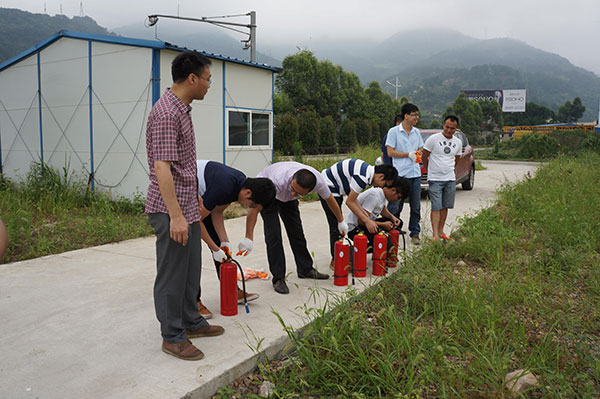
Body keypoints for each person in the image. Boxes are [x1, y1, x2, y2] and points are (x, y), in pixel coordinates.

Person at [145, 51, 223, 361]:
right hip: (170, 209)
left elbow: (182, 165)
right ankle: (172, 336)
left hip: (187, 204)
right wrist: (176, 215)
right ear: (192, 79)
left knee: (191, 270)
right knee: (172, 273)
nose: (208, 85)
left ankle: (191, 320)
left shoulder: (182, 109)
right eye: (207, 79)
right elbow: (162, 167)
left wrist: (195, 198)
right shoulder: (167, 113)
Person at [240, 162, 347, 294]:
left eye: (298, 193)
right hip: (269, 192)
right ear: (292, 179)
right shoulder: (276, 181)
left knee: (296, 231)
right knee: (274, 235)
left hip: (286, 198)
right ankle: (278, 278)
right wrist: (248, 237)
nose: (292, 193)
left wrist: (341, 221)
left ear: (310, 191)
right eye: (292, 188)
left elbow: (330, 200)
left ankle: (305, 269)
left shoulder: (319, 181)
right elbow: (254, 208)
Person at [195, 160, 276, 314]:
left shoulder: (238, 184)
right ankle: (193, 302)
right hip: (182, 193)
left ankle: (232, 291)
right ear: (248, 193)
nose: (248, 207)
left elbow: (217, 212)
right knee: (192, 253)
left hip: (201, 200)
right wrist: (214, 248)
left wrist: (224, 243)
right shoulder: (224, 187)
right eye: (251, 205)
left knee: (222, 251)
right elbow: (195, 220)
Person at [321, 159, 398, 268]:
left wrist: (366, 217)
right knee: (337, 225)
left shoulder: (367, 173)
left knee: (338, 224)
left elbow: (353, 199)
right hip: (329, 186)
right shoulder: (363, 177)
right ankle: (337, 261)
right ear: (380, 176)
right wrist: (367, 220)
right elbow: (350, 202)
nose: (381, 187)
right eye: (384, 184)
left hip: (336, 188)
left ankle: (340, 258)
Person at [385, 103, 424, 245]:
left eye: (417, 115)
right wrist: (408, 154)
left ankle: (415, 232)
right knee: (395, 205)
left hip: (415, 174)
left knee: (416, 205)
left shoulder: (417, 132)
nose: (416, 118)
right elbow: (390, 152)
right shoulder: (394, 132)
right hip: (400, 175)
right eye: (414, 115)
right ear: (406, 116)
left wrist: (417, 153)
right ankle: (390, 229)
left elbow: (420, 147)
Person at [421, 115, 463, 241]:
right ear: (443, 125)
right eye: (447, 127)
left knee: (445, 206)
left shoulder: (458, 142)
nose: (449, 130)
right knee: (436, 206)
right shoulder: (433, 139)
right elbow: (425, 156)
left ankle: (441, 232)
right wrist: (430, 170)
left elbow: (456, 158)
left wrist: (449, 170)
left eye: (452, 128)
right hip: (435, 179)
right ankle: (434, 235)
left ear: (456, 129)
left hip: (450, 179)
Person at [346, 177, 411, 253]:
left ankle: (382, 249)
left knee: (397, 223)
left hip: (367, 223)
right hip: (356, 228)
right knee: (384, 242)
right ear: (393, 190)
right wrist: (383, 225)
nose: (397, 200)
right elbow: (361, 221)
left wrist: (392, 217)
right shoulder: (374, 196)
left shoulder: (381, 194)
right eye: (398, 197)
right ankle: (352, 251)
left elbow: (382, 209)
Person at [381, 114, 402, 216]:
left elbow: (382, 154)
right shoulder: (392, 135)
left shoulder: (388, 135)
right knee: (394, 201)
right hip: (393, 172)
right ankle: (389, 224)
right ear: (398, 123)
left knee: (398, 199)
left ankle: (394, 223)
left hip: (391, 171)